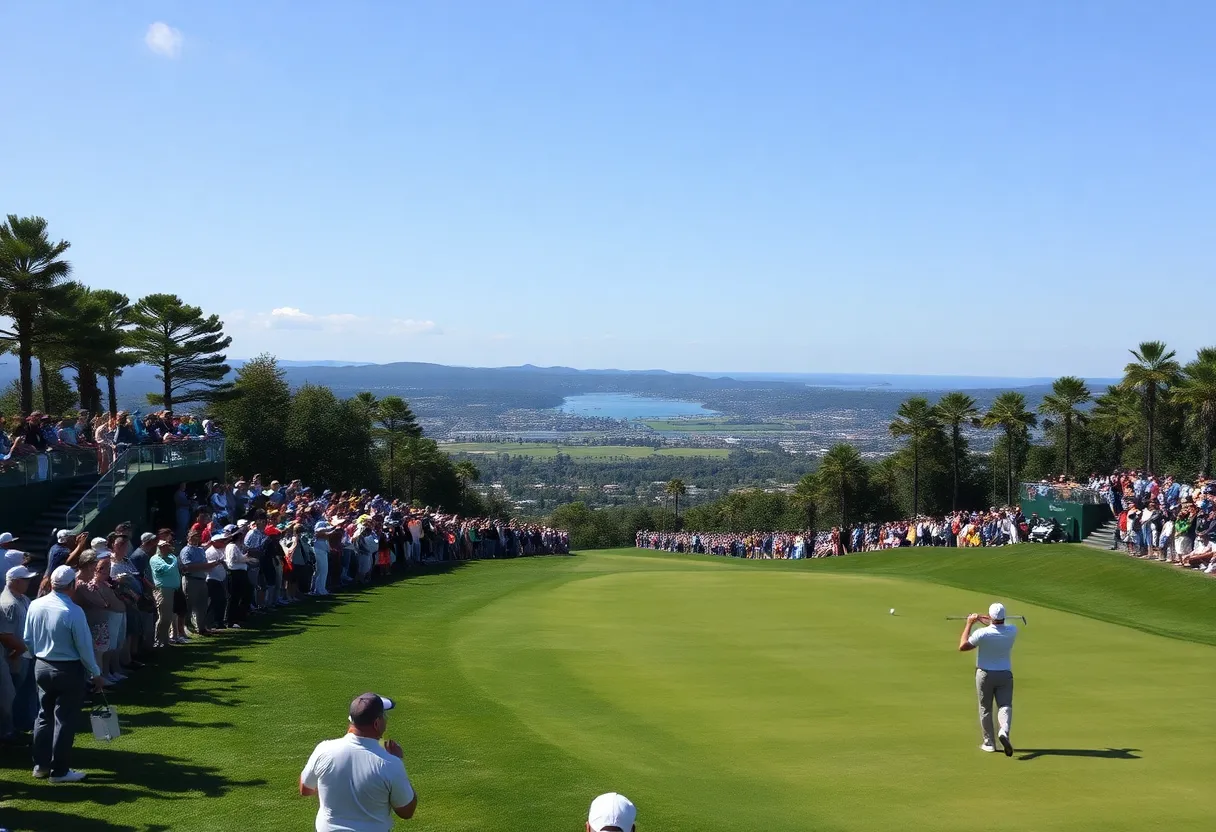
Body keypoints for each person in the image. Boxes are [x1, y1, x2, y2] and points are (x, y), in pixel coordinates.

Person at [23, 565, 105, 783]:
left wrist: (38, 657)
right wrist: (96, 673)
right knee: (64, 719)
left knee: (44, 715)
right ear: (72, 585)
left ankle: (40, 766)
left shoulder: (35, 604)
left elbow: (28, 639)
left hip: (42, 665)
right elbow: (84, 647)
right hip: (68, 669)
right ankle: (59, 771)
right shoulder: (73, 611)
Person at [299, 692, 418, 831]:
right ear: (377, 723)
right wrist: (397, 760)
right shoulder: (390, 763)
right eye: (384, 716)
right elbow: (406, 811)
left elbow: (305, 789)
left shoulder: (323, 750)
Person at [958, 602, 1018, 756]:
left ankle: (989, 743)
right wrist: (981, 618)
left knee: (985, 708)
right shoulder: (1012, 630)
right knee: (1005, 705)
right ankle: (1004, 730)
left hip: (985, 674)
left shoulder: (982, 633)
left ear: (990, 616)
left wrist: (969, 623)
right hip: (1005, 674)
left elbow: (963, 646)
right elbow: (997, 625)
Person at [0, 565, 37, 743]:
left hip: (25, 654)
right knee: (11, 694)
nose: (29, 583)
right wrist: (21, 650)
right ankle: (9, 731)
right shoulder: (9, 603)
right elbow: (5, 634)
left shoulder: (22, 599)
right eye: (25, 579)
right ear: (15, 581)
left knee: (24, 692)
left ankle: (21, 725)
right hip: (15, 656)